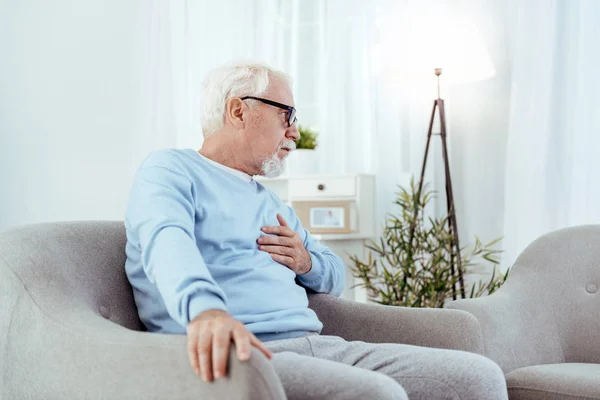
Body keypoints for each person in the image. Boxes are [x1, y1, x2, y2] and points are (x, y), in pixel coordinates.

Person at [124, 62, 508, 400]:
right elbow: (165, 240)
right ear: (238, 110)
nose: (294, 132)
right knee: (378, 394)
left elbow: (335, 274)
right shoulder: (171, 169)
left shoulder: (271, 202)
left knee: (478, 377)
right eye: (286, 115)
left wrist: (306, 262)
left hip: (320, 344)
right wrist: (206, 312)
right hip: (246, 354)